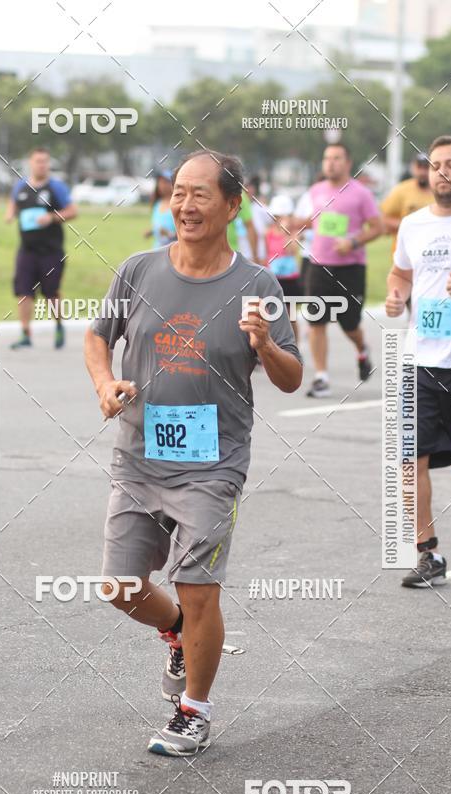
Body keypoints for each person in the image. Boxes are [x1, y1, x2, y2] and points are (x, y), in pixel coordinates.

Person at [85, 149, 302, 757]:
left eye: (200, 193)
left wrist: (264, 344)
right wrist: (104, 383)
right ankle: (178, 632)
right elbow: (98, 336)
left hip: (213, 462)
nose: (185, 204)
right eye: (178, 191)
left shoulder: (257, 286)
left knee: (197, 586)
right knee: (120, 586)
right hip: (138, 455)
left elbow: (290, 376)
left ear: (232, 205)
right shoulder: (138, 270)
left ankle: (194, 712)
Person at [385, 135, 451, 587]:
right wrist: (396, 295)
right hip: (421, 362)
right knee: (411, 461)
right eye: (434, 165)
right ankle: (428, 553)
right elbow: (400, 272)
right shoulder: (413, 225)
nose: (441, 171)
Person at [298, 143, 383, 399]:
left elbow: (377, 227)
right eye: (327, 158)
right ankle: (321, 377)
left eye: (336, 158)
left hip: (351, 268)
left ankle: (362, 348)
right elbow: (314, 221)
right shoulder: (315, 191)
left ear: (348, 163)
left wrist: (353, 242)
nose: (331, 163)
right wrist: (295, 226)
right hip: (318, 265)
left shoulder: (361, 194)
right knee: (316, 321)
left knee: (349, 324)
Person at [5, 148, 77, 350]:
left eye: (45, 161)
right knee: (23, 292)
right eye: (38, 161)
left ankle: (59, 325)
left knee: (51, 292)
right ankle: (25, 333)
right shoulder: (21, 186)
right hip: (27, 249)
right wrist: (9, 214)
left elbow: (72, 211)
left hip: (51, 251)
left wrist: (52, 217)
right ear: (31, 163)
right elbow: (13, 203)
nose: (42, 165)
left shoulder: (56, 187)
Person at [381, 152, 433, 252]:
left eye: (426, 167)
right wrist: (409, 225)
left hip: (433, 250)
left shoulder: (440, 191)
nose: (422, 172)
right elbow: (383, 218)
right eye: (419, 167)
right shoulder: (401, 190)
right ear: (413, 168)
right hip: (404, 251)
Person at [265, 194, 300, 341]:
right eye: (279, 217)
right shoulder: (268, 233)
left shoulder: (293, 234)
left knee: (291, 316)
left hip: (289, 279)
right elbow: (264, 254)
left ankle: (295, 347)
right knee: (272, 315)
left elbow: (291, 250)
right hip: (273, 278)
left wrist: (286, 232)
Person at [144, 170, 176, 247]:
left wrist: (169, 234)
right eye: (160, 182)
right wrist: (151, 232)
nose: (162, 185)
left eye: (165, 182)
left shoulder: (177, 204)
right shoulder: (156, 204)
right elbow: (158, 227)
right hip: (157, 249)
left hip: (173, 250)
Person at [246, 175, 270, 263]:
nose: (248, 191)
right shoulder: (235, 209)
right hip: (241, 256)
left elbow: (275, 221)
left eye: (251, 189)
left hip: (259, 256)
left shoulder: (260, 207)